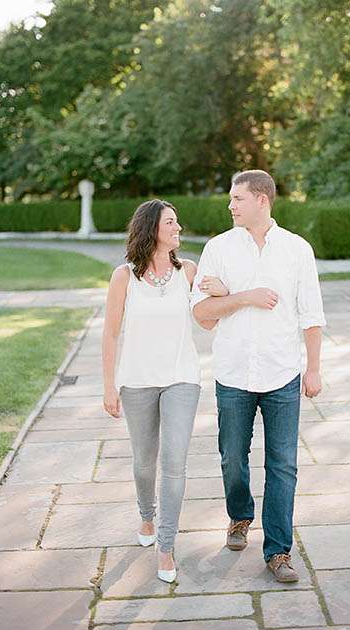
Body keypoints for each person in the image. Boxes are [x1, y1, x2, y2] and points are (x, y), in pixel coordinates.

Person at [191, 169, 325, 583]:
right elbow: (201, 315)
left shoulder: (297, 250)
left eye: (237, 199)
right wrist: (243, 297)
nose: (230, 205)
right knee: (233, 457)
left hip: (282, 372)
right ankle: (239, 516)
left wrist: (314, 368)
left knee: (283, 464)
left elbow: (312, 314)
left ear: (262, 200)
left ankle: (279, 551)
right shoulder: (217, 249)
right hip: (232, 374)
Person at [102, 199, 226, 583]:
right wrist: (109, 386)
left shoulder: (188, 271)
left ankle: (167, 546)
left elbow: (208, 322)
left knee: (174, 463)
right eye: (170, 222)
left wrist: (221, 292)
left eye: (177, 222)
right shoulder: (124, 276)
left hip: (181, 378)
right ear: (151, 228)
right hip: (137, 380)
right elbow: (111, 332)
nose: (178, 227)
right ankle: (146, 514)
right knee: (144, 462)